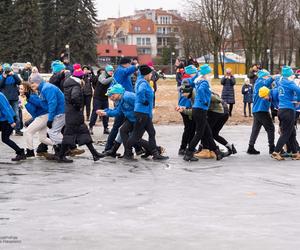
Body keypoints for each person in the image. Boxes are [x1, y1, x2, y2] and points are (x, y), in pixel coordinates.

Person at [57, 64, 104, 163]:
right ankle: (61, 156)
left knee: (83, 133)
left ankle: (94, 154)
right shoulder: (76, 85)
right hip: (74, 114)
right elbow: (75, 97)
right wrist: (79, 106)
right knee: (69, 135)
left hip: (72, 114)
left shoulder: (70, 83)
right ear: (81, 77)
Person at [124, 65, 169, 161]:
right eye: (150, 74)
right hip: (142, 112)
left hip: (144, 113)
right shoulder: (143, 83)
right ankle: (128, 152)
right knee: (136, 135)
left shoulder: (141, 80)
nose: (151, 75)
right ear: (146, 74)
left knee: (152, 132)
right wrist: (143, 100)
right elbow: (140, 93)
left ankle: (155, 154)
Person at [183, 64, 223, 162]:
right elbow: (201, 92)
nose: (210, 74)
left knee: (208, 133)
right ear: (206, 73)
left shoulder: (199, 81)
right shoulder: (204, 82)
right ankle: (189, 153)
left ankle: (217, 152)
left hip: (198, 109)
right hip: (200, 109)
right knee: (199, 134)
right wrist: (204, 100)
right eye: (209, 72)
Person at [104, 57, 138, 152]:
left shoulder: (120, 71)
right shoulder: (120, 70)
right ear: (126, 64)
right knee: (119, 126)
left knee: (126, 127)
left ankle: (133, 149)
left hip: (123, 99)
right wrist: (136, 66)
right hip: (121, 100)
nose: (130, 65)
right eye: (130, 64)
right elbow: (128, 70)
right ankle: (109, 148)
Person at [28, 73, 66, 159]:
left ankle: (65, 149)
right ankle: (60, 152)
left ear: (38, 82)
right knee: (53, 132)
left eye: (32, 83)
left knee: (53, 132)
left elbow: (52, 104)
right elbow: (43, 104)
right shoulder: (42, 89)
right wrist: (29, 98)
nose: (31, 85)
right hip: (58, 112)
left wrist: (50, 119)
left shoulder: (47, 88)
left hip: (60, 112)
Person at [271, 66, 300, 161]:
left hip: (281, 109)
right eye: (291, 73)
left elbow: (275, 79)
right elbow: (299, 90)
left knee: (291, 132)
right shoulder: (289, 83)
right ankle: (276, 151)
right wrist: (298, 100)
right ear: (289, 74)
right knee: (287, 133)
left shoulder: (281, 81)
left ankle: (295, 153)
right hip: (288, 109)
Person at [247, 69, 275, 155]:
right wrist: (273, 78)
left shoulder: (259, 82)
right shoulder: (260, 82)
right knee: (270, 128)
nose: (269, 76)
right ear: (264, 76)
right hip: (261, 110)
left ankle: (250, 147)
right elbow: (266, 83)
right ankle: (272, 148)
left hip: (257, 110)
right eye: (268, 75)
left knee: (255, 129)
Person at [23, 89, 54, 158]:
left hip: (43, 116)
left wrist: (28, 98)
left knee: (28, 132)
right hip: (42, 116)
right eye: (19, 89)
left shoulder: (33, 96)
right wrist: (26, 102)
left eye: (22, 89)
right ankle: (61, 146)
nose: (19, 90)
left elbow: (40, 104)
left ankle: (30, 152)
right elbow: (33, 111)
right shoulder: (27, 98)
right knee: (42, 138)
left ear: (26, 90)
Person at [0, 92, 26, 161]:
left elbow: (5, 109)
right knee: (5, 139)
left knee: (5, 139)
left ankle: (20, 152)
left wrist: (11, 121)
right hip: (4, 119)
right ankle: (20, 152)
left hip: (7, 120)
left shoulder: (0, 96)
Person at [89, 65, 114, 135]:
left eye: (112, 71)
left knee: (106, 112)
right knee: (96, 112)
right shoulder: (102, 76)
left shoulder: (111, 77)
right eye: (110, 71)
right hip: (97, 97)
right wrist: (112, 78)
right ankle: (90, 127)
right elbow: (104, 82)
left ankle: (106, 128)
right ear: (106, 71)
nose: (111, 72)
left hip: (105, 97)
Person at [0, 63, 22, 136]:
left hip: (14, 98)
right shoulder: (1, 77)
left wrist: (14, 74)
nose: (7, 71)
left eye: (8, 69)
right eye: (5, 70)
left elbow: (19, 82)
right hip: (5, 100)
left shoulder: (13, 76)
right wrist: (4, 77)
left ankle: (17, 130)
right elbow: (0, 85)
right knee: (7, 114)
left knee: (16, 115)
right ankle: (10, 129)